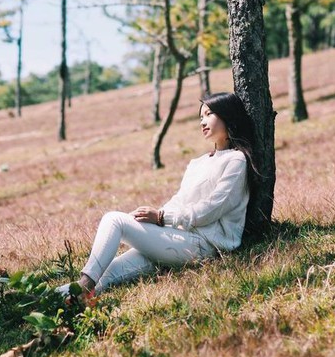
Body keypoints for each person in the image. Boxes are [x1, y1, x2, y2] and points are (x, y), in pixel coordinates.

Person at [57, 92, 258, 299]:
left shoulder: (236, 160)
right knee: (106, 274)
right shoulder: (198, 163)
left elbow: (213, 208)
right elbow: (180, 201)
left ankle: (83, 284)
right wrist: (153, 218)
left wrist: (162, 218)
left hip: (202, 246)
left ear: (228, 116)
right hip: (176, 238)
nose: (202, 122)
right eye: (200, 117)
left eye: (208, 114)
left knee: (114, 220)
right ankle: (55, 298)